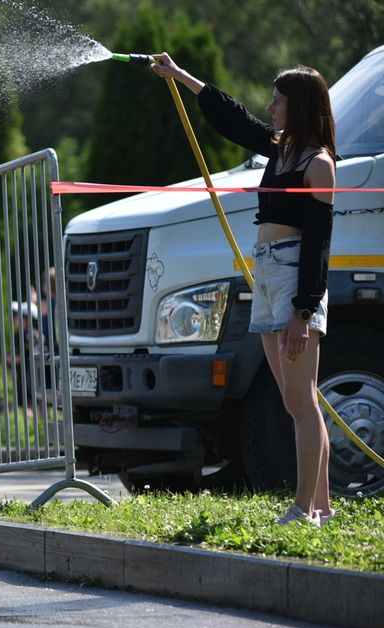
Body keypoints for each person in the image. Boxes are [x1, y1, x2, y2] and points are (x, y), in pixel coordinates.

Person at [151, 53, 336, 527]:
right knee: (297, 399)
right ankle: (323, 506)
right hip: (268, 273)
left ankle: (305, 509)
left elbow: (318, 243)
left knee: (301, 401)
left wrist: (303, 309)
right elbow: (232, 118)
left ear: (300, 106)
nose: (271, 109)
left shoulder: (318, 165)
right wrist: (179, 77)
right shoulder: (279, 150)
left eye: (278, 103)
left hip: (295, 280)